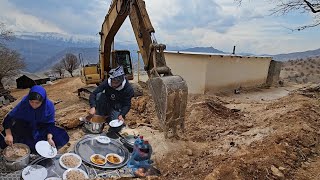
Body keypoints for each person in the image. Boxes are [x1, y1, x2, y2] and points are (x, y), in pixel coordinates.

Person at [0, 85, 69, 152]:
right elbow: (9, 118)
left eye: (37, 103)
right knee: (6, 141)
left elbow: (50, 124)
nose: (34, 105)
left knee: (60, 137)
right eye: (31, 102)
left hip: (41, 127)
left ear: (43, 101)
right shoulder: (24, 103)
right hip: (25, 125)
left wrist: (49, 138)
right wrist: (8, 134)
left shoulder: (49, 106)